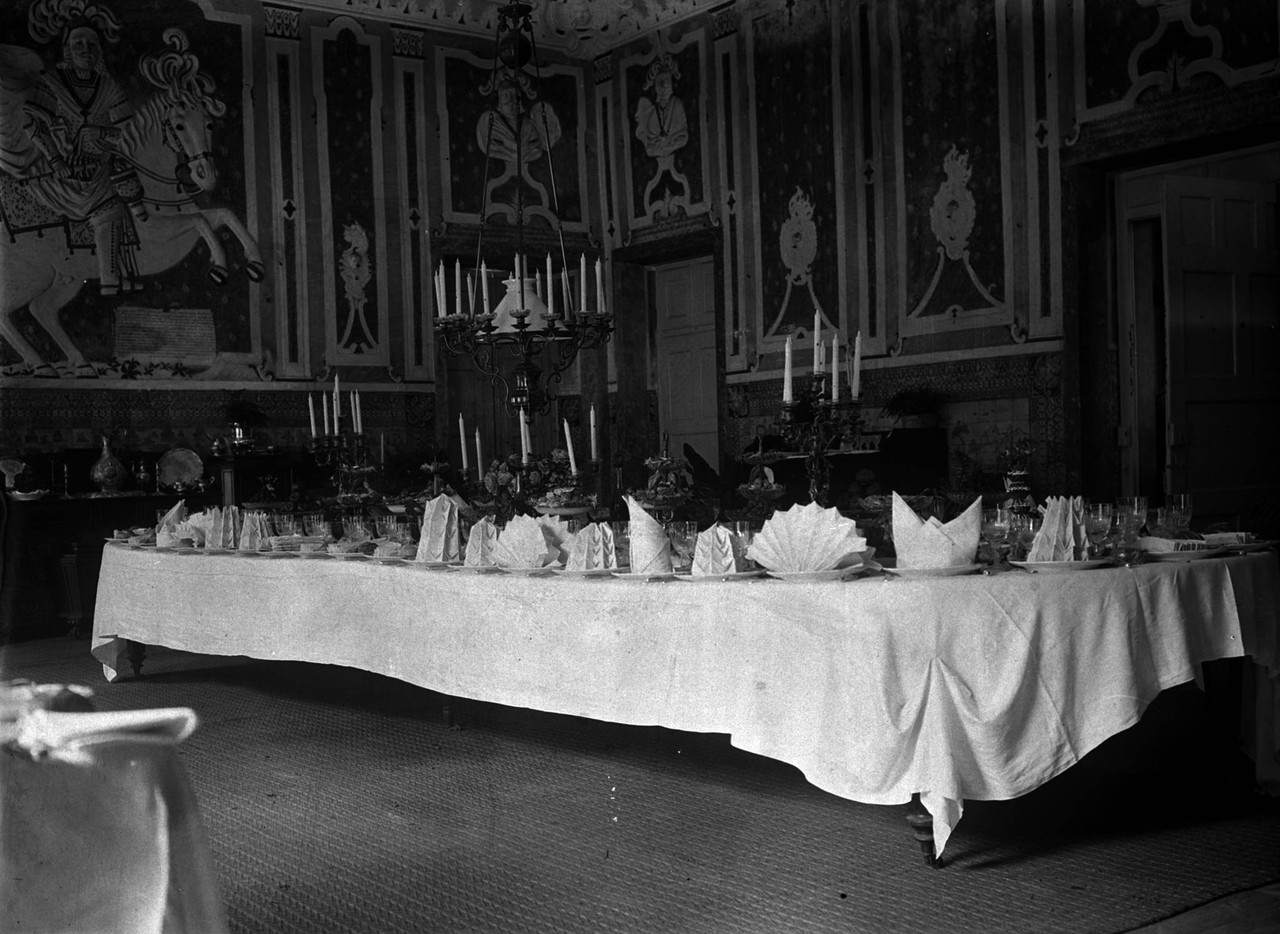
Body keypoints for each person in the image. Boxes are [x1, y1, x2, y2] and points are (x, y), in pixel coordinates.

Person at [21, 11, 148, 294]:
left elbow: (127, 131)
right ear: (67, 49)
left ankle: (113, 277)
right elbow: (32, 124)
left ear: (99, 51)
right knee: (108, 207)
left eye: (91, 44)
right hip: (60, 171)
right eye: (78, 43)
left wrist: (101, 133)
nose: (85, 49)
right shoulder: (52, 82)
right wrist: (56, 160)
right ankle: (103, 278)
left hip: (99, 168)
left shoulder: (109, 87)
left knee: (124, 196)